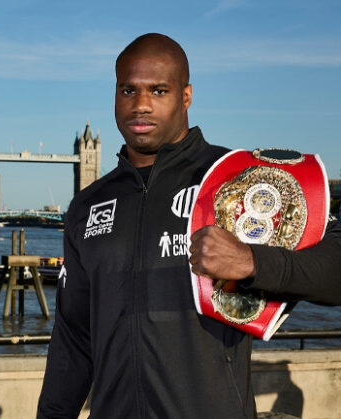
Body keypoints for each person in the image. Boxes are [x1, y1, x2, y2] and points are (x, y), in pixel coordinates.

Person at [37, 33, 341, 418]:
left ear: (186, 96)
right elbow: (73, 340)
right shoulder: (88, 205)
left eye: (159, 90)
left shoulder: (240, 179)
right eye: (128, 90)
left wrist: (252, 262)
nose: (141, 105)